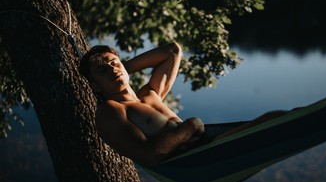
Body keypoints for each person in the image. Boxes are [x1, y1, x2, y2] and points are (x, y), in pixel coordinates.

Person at [79, 42, 288, 166]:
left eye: (114, 64)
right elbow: (148, 155)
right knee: (276, 122)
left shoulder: (150, 94)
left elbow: (172, 50)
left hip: (209, 146)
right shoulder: (112, 110)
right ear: (95, 86)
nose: (112, 70)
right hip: (196, 161)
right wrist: (190, 126)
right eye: (102, 71)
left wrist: (119, 70)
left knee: (278, 118)